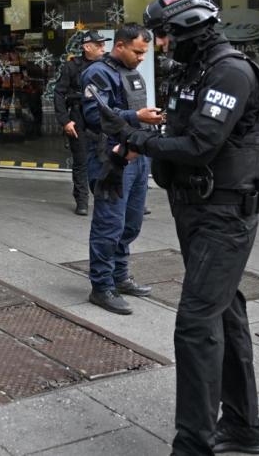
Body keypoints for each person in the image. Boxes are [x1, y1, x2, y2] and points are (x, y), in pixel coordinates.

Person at [96, 0, 259, 456]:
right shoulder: (195, 71)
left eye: (168, 35)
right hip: (196, 209)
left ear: (191, 28)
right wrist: (131, 144)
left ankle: (194, 445)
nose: (163, 45)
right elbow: (178, 134)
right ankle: (242, 428)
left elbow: (200, 145)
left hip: (224, 215)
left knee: (195, 324)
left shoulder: (231, 71)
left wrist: (139, 138)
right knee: (226, 314)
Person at [80, 23, 164, 315]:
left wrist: (146, 119)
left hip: (137, 155)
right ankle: (102, 287)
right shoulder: (97, 73)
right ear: (120, 45)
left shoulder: (130, 71)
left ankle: (120, 276)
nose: (142, 58)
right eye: (138, 51)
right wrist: (135, 115)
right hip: (111, 159)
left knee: (131, 223)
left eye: (144, 53)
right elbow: (94, 116)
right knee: (109, 224)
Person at [53, 30, 109, 216]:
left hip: (102, 116)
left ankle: (106, 198)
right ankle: (82, 201)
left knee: (106, 159)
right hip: (78, 116)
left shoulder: (108, 64)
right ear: (87, 47)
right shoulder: (72, 66)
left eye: (103, 44)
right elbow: (59, 93)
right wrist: (65, 121)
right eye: (98, 45)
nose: (103, 48)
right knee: (81, 161)